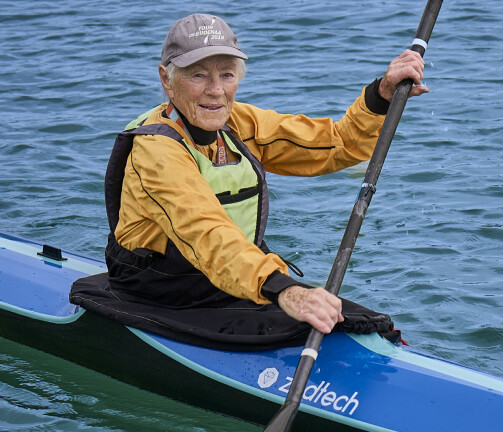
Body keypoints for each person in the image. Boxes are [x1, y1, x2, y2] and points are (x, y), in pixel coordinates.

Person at [95, 13, 427, 340]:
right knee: (346, 323)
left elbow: (335, 144)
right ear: (166, 79)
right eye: (198, 75)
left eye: (226, 75)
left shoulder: (238, 122)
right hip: (166, 292)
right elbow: (206, 233)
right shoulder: (157, 151)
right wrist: (285, 290)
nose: (215, 91)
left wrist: (381, 96)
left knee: (369, 323)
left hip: (237, 278)